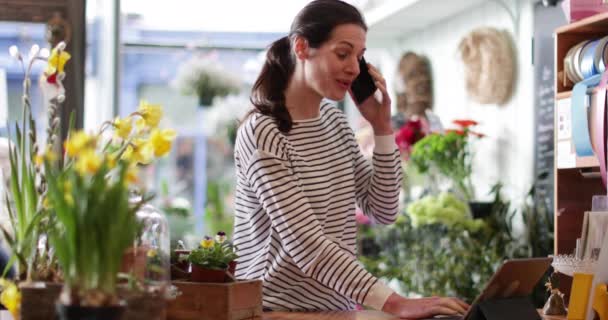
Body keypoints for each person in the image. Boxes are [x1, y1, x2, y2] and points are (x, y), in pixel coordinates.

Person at [232, 0, 469, 318]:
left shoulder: (333, 121)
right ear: (302, 47)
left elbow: (383, 210)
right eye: (342, 54)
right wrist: (395, 301)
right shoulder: (262, 132)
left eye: (359, 57)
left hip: (336, 310)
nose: (355, 69)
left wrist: (382, 127)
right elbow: (305, 243)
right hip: (274, 311)